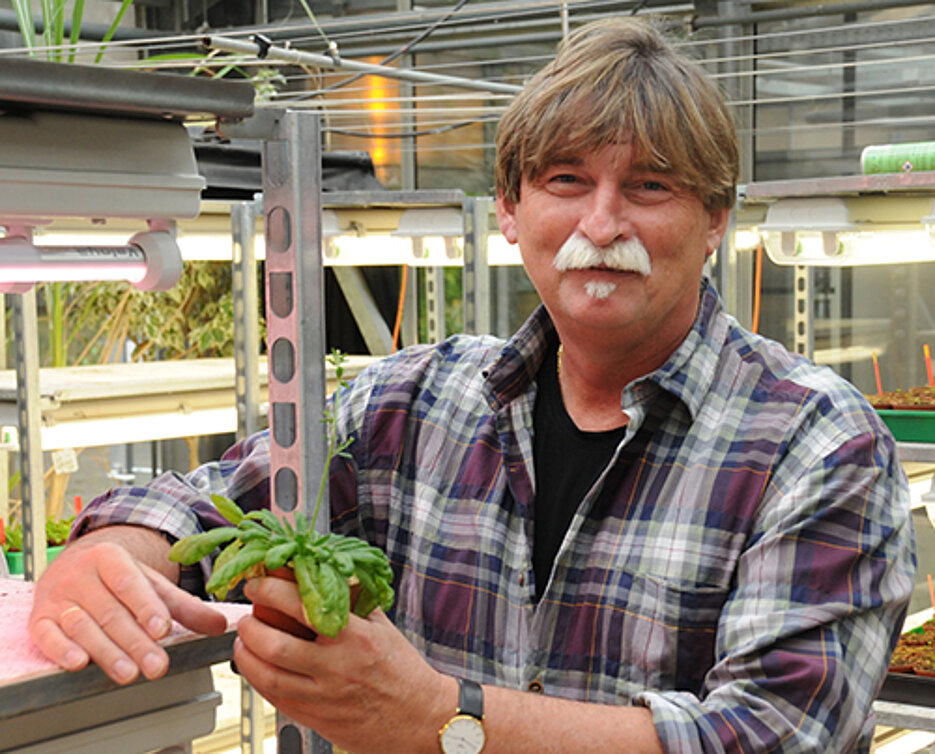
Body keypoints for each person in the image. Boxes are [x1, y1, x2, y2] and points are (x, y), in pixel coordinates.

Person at [29, 17, 916, 753]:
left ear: (715, 216)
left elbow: (773, 735)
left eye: (649, 187)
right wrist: (110, 553)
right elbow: (211, 504)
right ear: (509, 207)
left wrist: (440, 718)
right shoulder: (411, 407)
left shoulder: (814, 444)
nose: (601, 224)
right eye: (565, 180)